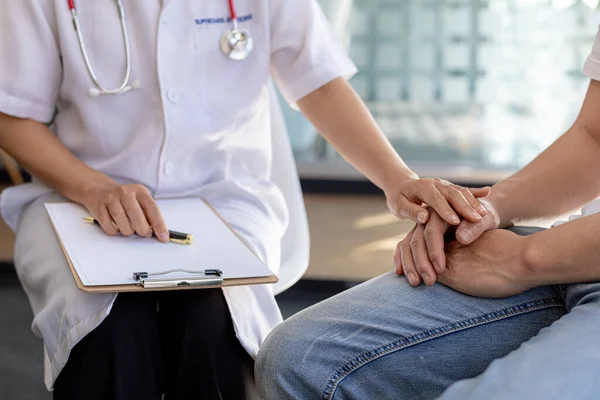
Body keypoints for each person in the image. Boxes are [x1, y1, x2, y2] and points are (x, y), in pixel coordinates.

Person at [0, 1, 489, 399]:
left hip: (223, 197)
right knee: (110, 331)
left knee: (213, 321)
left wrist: (397, 179)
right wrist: (92, 187)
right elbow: (12, 113)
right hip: (78, 201)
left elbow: (317, 82)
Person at [254, 25, 600, 400]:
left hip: (561, 255)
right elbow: (594, 137)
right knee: (301, 361)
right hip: (577, 247)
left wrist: (522, 258)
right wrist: (484, 210)